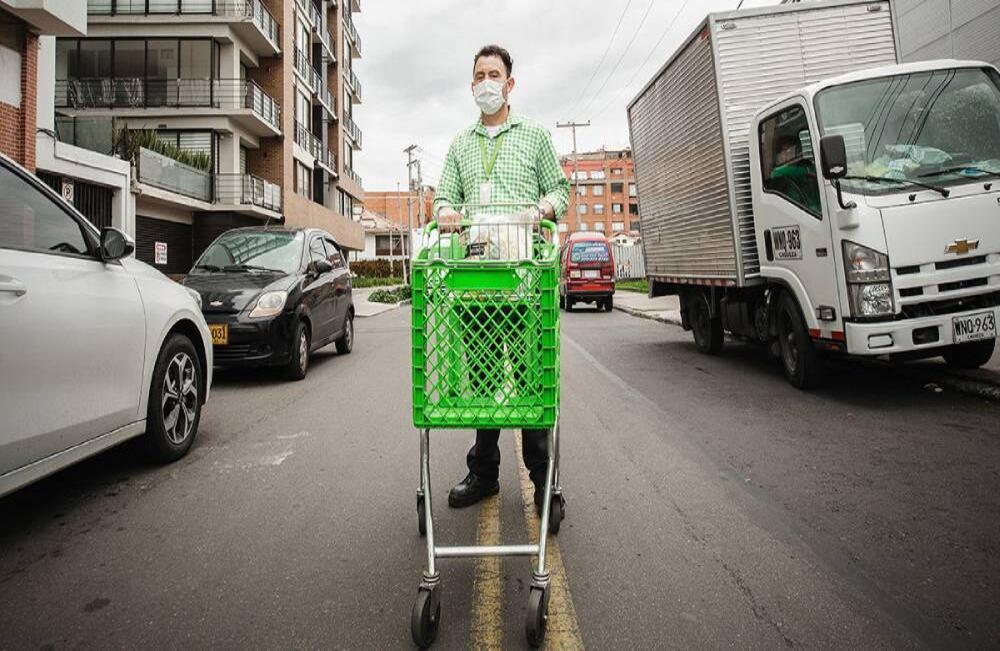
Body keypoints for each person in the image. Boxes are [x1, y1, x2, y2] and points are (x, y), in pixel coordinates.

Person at [432, 44, 569, 511]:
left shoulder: (533, 136)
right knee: (485, 385)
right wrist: (448, 212)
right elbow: (443, 199)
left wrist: (541, 210)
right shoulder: (460, 144)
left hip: (526, 286)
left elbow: (560, 190)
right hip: (478, 284)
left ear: (510, 84)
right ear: (472, 86)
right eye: (480, 75)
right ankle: (484, 473)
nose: (487, 81)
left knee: (531, 389)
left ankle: (544, 483)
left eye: (495, 74)